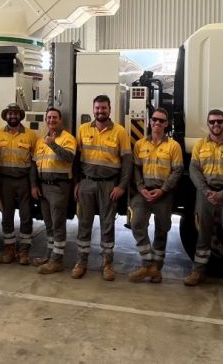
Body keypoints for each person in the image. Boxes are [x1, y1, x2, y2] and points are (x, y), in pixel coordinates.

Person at [184, 109, 223, 293]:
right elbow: (194, 170)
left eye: (219, 122)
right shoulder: (200, 145)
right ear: (208, 124)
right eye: (212, 122)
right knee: (203, 234)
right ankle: (198, 272)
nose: (216, 125)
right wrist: (206, 191)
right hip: (205, 195)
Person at [73, 95, 132, 281]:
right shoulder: (82, 130)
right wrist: (77, 182)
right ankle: (81, 262)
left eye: (104, 108)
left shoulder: (120, 132)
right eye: (97, 108)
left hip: (109, 185)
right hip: (87, 183)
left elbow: (127, 162)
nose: (100, 111)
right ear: (93, 109)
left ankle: (107, 264)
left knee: (107, 225)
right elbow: (76, 159)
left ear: (109, 109)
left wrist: (122, 186)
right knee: (84, 223)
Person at [128, 108, 183, 283]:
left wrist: (163, 190)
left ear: (166, 124)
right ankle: (148, 264)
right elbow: (136, 168)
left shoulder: (173, 146)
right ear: (150, 121)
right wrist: (140, 187)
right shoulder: (140, 144)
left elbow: (177, 171)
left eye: (161, 120)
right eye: (154, 119)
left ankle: (156, 270)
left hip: (163, 194)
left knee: (162, 230)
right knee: (136, 224)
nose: (157, 123)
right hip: (143, 193)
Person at [31, 108, 76, 274]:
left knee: (58, 224)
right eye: (49, 117)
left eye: (54, 118)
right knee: (48, 223)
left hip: (59, 186)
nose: (51, 120)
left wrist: (52, 144)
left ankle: (57, 261)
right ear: (45, 120)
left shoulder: (67, 138)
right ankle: (49, 255)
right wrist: (34, 185)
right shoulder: (40, 140)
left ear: (60, 120)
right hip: (43, 186)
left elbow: (69, 157)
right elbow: (34, 164)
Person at [0, 103, 37, 265]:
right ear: (6, 116)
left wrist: (33, 186)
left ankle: (24, 250)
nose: (13, 116)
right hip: (4, 181)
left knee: (26, 216)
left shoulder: (31, 135)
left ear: (20, 116)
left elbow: (33, 164)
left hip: (24, 180)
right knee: (7, 215)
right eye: (10, 114)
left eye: (16, 114)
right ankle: (9, 248)